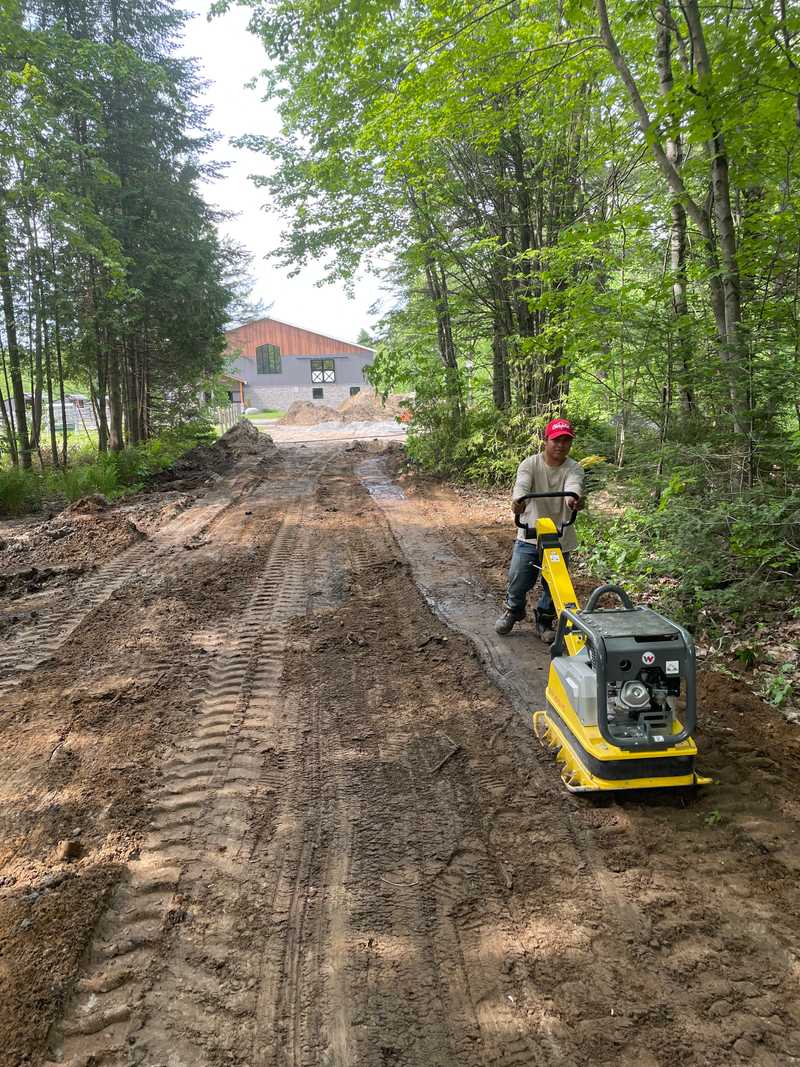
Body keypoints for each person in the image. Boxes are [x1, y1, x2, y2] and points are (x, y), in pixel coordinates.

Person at [495, 417, 584, 640]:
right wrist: (519, 500)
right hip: (530, 534)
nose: (561, 445)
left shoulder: (574, 468)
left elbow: (574, 486)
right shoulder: (530, 464)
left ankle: (544, 620)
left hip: (559, 536)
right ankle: (514, 610)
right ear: (546, 440)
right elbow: (522, 484)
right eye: (556, 440)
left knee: (554, 586)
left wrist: (574, 500)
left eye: (566, 441)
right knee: (517, 578)